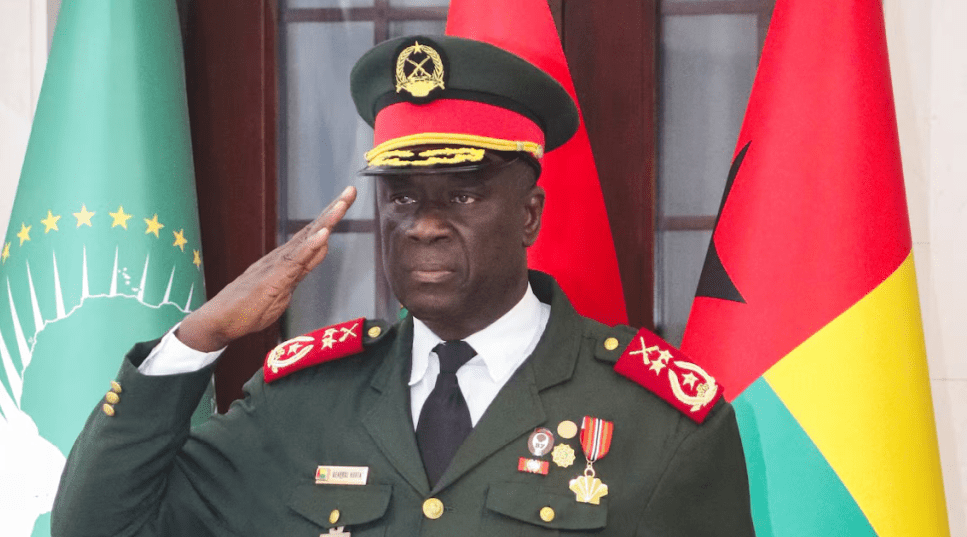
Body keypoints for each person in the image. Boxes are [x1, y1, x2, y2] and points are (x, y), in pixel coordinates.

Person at [52, 27, 755, 537]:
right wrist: (197, 339)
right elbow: (102, 525)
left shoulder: (657, 423)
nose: (423, 224)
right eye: (402, 196)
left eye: (465, 194)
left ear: (530, 213)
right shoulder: (301, 403)